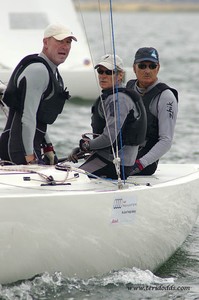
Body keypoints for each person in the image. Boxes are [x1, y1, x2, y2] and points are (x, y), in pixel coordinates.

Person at [0, 23, 77, 165]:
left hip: (32, 147)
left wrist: (48, 146)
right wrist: (29, 157)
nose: (65, 46)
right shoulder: (39, 70)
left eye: (68, 42)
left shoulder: (51, 71)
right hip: (19, 151)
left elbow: (38, 118)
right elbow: (28, 117)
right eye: (60, 41)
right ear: (45, 42)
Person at [68, 54, 147, 180]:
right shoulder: (112, 97)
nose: (103, 75)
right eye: (100, 71)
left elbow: (109, 138)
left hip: (114, 163)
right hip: (109, 158)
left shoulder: (118, 100)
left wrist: (87, 146)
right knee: (66, 170)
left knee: (71, 178)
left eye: (109, 72)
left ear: (120, 75)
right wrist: (81, 150)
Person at [126, 47, 178, 175]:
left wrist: (140, 164)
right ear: (134, 68)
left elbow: (166, 140)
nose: (147, 71)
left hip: (145, 161)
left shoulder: (166, 97)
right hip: (125, 151)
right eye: (142, 66)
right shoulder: (129, 87)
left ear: (158, 68)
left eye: (152, 66)